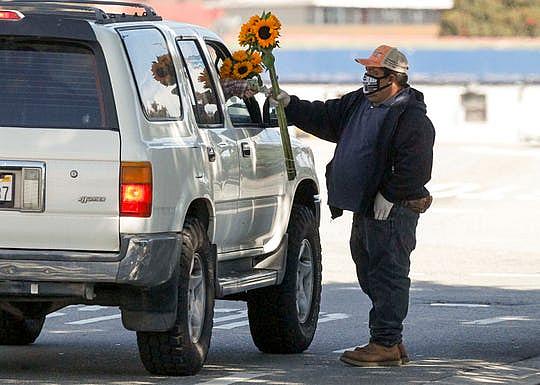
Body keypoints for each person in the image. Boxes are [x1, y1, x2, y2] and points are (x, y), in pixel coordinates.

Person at [269, 45, 435, 367]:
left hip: (391, 209)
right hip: (365, 206)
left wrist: (392, 193)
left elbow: (417, 163)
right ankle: (391, 339)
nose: (368, 80)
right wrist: (290, 106)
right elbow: (324, 117)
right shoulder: (358, 104)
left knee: (388, 272)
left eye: (375, 74)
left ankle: (384, 342)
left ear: (395, 79)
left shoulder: (409, 115)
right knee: (368, 268)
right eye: (367, 73)